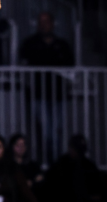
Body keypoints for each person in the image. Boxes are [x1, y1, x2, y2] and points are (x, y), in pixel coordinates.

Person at [20, 12, 74, 163]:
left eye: (47, 21)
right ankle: (47, 163)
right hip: (38, 95)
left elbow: (70, 65)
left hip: (59, 95)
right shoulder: (30, 43)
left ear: (52, 23)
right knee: (46, 132)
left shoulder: (62, 44)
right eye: (41, 21)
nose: (44, 24)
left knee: (57, 131)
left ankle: (55, 163)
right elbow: (24, 62)